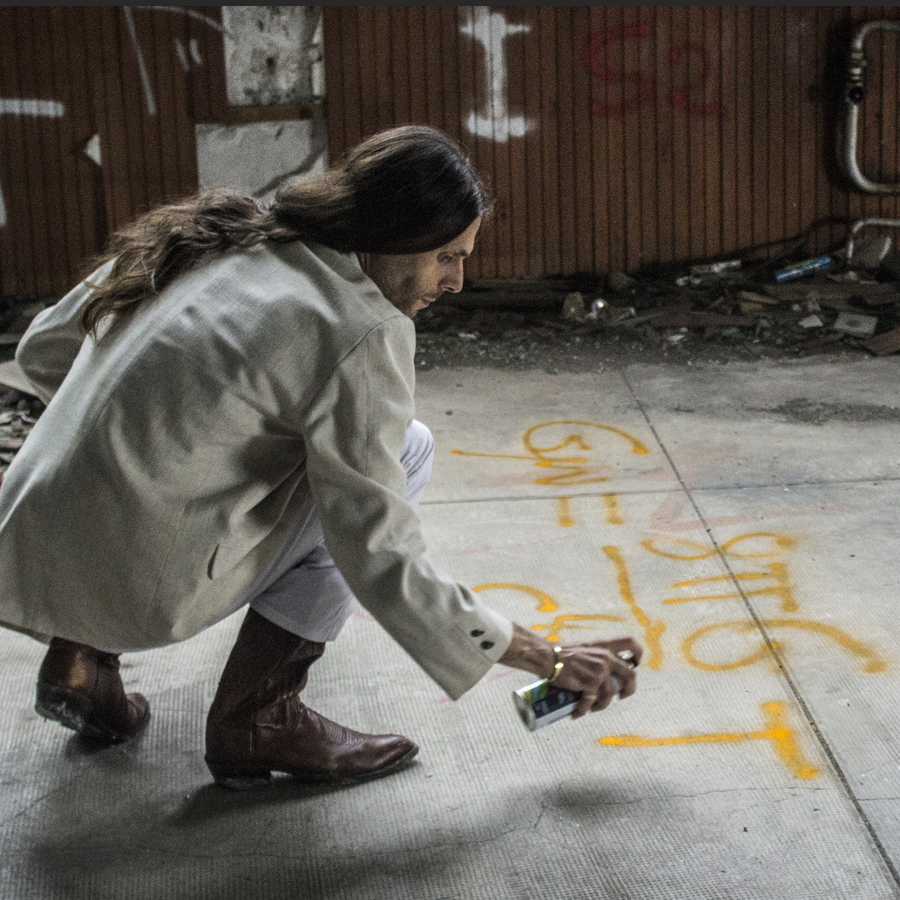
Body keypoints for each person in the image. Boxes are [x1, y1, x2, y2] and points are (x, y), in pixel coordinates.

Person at [0, 125, 643, 789]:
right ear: (395, 233)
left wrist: (140, 439)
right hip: (138, 585)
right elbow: (378, 549)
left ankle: (80, 655)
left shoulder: (222, 233)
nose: (457, 282)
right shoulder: (360, 328)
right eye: (447, 256)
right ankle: (259, 715)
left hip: (25, 542)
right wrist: (547, 657)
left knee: (179, 461)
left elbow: (42, 351)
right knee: (408, 450)